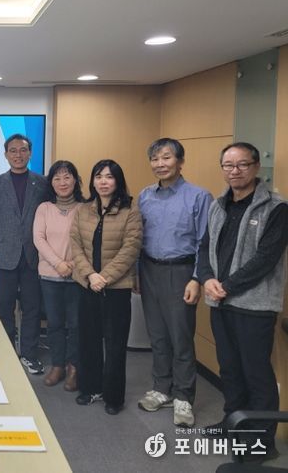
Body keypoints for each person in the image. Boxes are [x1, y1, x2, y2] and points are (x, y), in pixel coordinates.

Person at [197, 142, 287, 462]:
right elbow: (204, 247)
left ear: (256, 167)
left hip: (255, 306)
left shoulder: (276, 208)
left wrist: (227, 285)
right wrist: (206, 278)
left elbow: (266, 259)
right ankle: (233, 423)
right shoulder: (218, 205)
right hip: (220, 303)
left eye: (242, 164)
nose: (234, 171)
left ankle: (262, 442)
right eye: (228, 165)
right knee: (231, 369)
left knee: (256, 374)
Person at [137, 138, 212, 427]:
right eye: (155, 159)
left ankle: (183, 396)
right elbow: (138, 238)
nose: (160, 164)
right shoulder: (145, 196)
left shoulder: (199, 196)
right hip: (149, 270)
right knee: (157, 335)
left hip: (181, 272)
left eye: (166, 158)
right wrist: (136, 273)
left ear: (180, 161)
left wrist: (197, 278)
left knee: (181, 337)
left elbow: (205, 242)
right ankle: (161, 388)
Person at [70, 159, 142, 415]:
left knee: (115, 344)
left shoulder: (130, 211)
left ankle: (113, 397)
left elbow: (131, 248)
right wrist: (91, 275)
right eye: (98, 176)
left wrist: (104, 277)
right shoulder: (83, 209)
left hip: (116, 289)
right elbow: (75, 245)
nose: (103, 181)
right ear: (92, 181)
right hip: (87, 285)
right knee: (88, 340)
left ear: (118, 181)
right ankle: (90, 389)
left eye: (109, 177)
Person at [0, 133, 47, 374]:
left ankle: (29, 354)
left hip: (33, 255)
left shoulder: (42, 183)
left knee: (32, 307)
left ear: (30, 153)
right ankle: (7, 350)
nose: (18, 155)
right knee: (4, 307)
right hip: (3, 255)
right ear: (6, 154)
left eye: (23, 150)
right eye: (13, 150)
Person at [33, 160, 83, 390]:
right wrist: (58, 263)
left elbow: (89, 241)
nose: (62, 182)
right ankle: (57, 365)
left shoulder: (85, 208)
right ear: (51, 183)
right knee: (54, 324)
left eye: (67, 177)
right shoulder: (44, 208)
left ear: (75, 180)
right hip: (50, 275)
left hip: (77, 276)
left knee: (76, 324)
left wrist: (72, 264)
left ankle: (74, 367)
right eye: (57, 178)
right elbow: (39, 239)